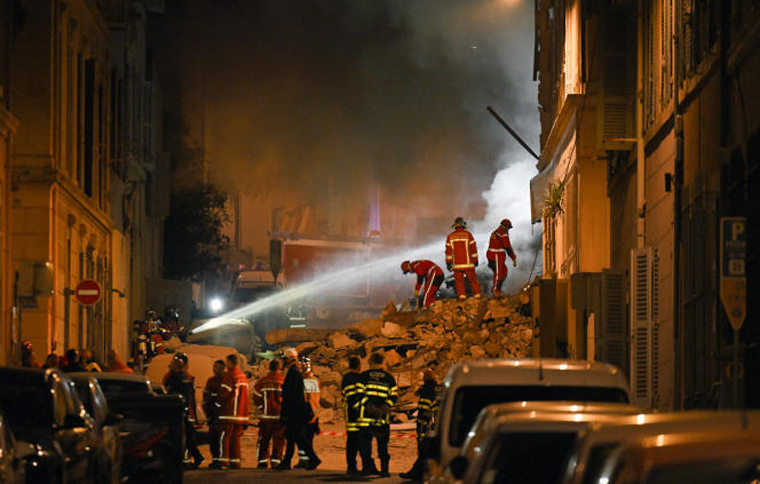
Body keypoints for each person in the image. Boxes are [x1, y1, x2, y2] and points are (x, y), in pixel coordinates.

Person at [277, 348, 321, 470]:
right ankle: (289, 461)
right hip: (299, 413)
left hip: (296, 413)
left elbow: (304, 398)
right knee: (294, 438)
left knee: (299, 439)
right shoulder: (297, 374)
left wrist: (312, 417)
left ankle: (312, 459)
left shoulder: (297, 375)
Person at [357, 352, 398, 477]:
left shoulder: (363, 376)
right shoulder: (389, 378)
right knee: (383, 445)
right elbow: (394, 397)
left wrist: (369, 406)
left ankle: (366, 469)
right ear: (383, 362)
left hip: (366, 418)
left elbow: (359, 395)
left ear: (370, 362)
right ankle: (385, 471)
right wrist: (384, 408)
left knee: (365, 445)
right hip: (382, 419)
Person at [163, 352, 204, 468]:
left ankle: (187, 459)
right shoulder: (185, 377)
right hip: (183, 413)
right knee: (187, 439)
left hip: (179, 413)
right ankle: (193, 458)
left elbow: (172, 394)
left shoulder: (175, 378)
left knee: (182, 438)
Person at [400, 365, 440, 481]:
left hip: (426, 426)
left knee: (423, 450)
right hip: (436, 425)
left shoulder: (426, 390)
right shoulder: (438, 389)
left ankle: (417, 474)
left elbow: (424, 410)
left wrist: (421, 430)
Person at [217, 353, 249, 469]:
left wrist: (217, 405)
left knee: (224, 438)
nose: (226, 365)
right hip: (240, 415)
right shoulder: (243, 377)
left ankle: (223, 461)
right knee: (235, 439)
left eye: (227, 363)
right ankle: (235, 461)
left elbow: (224, 393)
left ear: (231, 363)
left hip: (229, 413)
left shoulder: (230, 376)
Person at [252, 359, 285, 469]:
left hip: (266, 417)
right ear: (279, 369)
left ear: (269, 368)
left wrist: (262, 408)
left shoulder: (262, 381)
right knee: (279, 440)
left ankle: (262, 461)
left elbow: (256, 396)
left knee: (263, 440)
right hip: (279, 417)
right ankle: (276, 461)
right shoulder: (283, 381)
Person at [445, 217, 481, 300]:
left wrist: (448, 263)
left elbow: (448, 252)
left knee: (459, 281)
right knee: (472, 280)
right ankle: (477, 295)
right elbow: (473, 249)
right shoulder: (468, 235)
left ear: (455, 226)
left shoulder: (450, 237)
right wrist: (475, 260)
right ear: (463, 225)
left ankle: (462, 296)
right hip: (469, 263)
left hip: (457, 265)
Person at [341, 356, 365, 475]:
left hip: (350, 416)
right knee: (362, 443)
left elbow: (347, 396)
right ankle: (364, 466)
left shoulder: (345, 378)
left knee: (351, 443)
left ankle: (351, 467)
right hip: (359, 415)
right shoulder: (361, 378)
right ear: (359, 366)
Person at [296, 357, 321, 469]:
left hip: (308, 415)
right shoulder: (311, 379)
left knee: (305, 439)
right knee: (304, 439)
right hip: (311, 414)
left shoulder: (309, 380)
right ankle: (303, 460)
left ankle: (308, 461)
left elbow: (311, 400)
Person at [203, 360, 226, 469]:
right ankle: (215, 459)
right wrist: (207, 411)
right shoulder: (211, 381)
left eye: (217, 367)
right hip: (212, 414)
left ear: (222, 368)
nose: (214, 369)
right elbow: (206, 397)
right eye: (214, 367)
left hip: (222, 415)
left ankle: (221, 460)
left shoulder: (225, 381)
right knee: (213, 439)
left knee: (221, 439)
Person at [487, 218, 517, 298]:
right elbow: (507, 247)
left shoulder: (497, 232)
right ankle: (495, 290)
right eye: (508, 228)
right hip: (496, 255)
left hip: (495, 255)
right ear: (505, 226)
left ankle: (498, 289)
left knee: (504, 271)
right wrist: (513, 257)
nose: (508, 230)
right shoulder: (502, 233)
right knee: (499, 273)